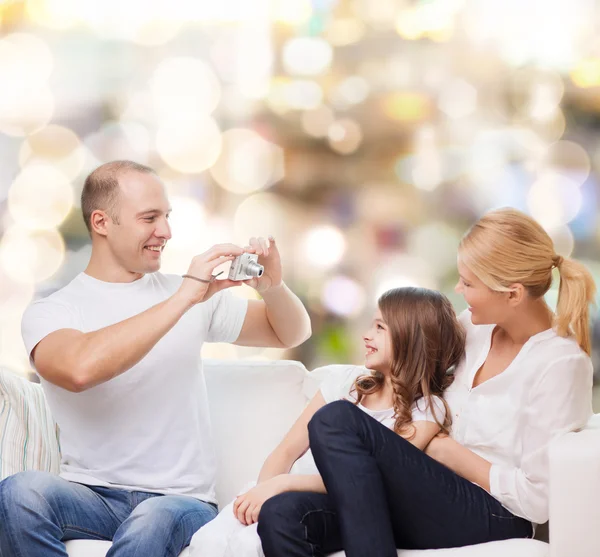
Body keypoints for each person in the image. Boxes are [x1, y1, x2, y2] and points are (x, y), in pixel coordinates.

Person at [0, 160, 312, 557]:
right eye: (150, 218)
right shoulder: (52, 312)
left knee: (150, 522)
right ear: (102, 222)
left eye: (166, 216)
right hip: (91, 496)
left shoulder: (194, 297)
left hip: (180, 503)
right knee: (19, 493)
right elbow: (79, 369)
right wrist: (182, 297)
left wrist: (274, 286)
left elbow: (291, 332)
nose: (165, 231)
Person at [257, 207, 596, 557]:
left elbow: (537, 500)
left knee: (335, 420)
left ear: (512, 294)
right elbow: (410, 358)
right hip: (423, 489)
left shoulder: (560, 364)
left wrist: (449, 452)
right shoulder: (472, 328)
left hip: (493, 512)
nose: (458, 289)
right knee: (281, 516)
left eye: (469, 283)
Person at [188, 286, 466, 557]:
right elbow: (285, 452)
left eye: (380, 328)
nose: (366, 336)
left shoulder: (427, 410)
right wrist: (263, 492)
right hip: (280, 493)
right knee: (221, 541)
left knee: (282, 517)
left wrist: (283, 485)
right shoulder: (346, 384)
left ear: (411, 338)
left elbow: (368, 482)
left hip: (331, 505)